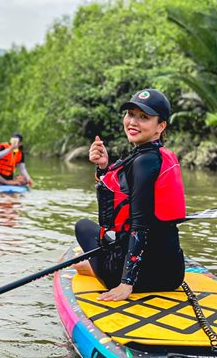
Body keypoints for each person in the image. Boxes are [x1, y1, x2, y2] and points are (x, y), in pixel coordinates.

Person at [73, 88, 186, 302]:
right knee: (88, 254)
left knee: (83, 227)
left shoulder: (143, 161)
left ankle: (93, 267)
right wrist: (103, 167)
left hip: (138, 278)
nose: (133, 122)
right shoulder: (152, 156)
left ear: (160, 126)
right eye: (130, 114)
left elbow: (139, 226)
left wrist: (126, 284)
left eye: (144, 117)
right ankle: (90, 265)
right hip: (172, 275)